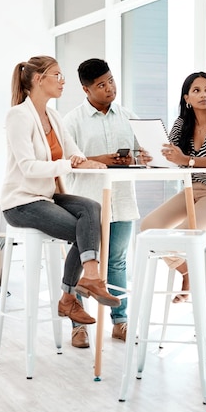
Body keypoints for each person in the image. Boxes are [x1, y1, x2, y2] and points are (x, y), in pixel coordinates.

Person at [0, 55, 121, 332]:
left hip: (46, 196)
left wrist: (83, 159)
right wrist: (70, 164)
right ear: (39, 80)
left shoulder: (53, 116)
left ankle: (80, 286)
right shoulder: (18, 115)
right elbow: (28, 167)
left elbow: (71, 149)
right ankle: (72, 293)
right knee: (83, 228)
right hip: (20, 202)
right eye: (58, 75)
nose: (63, 81)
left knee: (92, 210)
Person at [64, 58, 151, 347]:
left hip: (122, 201)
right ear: (86, 89)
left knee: (117, 262)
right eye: (101, 85)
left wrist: (136, 159)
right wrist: (102, 160)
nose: (109, 88)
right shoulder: (72, 121)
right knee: (81, 265)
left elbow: (144, 153)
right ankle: (79, 326)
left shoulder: (127, 115)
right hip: (86, 204)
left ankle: (120, 322)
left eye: (111, 81)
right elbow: (66, 162)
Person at [140, 71, 206, 301]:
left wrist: (185, 160)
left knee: (179, 236)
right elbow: (170, 157)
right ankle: (187, 271)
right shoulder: (181, 124)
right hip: (192, 190)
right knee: (149, 226)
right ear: (187, 98)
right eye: (196, 90)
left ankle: (192, 276)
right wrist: (153, 159)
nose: (203, 94)